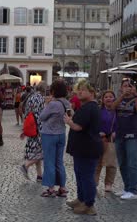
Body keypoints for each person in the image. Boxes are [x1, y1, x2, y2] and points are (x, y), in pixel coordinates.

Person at [65, 80, 102, 215]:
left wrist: (69, 121)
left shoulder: (89, 107)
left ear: (92, 93)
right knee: (80, 175)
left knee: (86, 176)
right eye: (78, 89)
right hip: (83, 148)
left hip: (87, 148)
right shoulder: (87, 107)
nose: (79, 92)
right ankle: (81, 199)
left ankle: (89, 205)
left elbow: (78, 127)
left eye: (83, 90)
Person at [110, 78, 137, 200]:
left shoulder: (136, 99)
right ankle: (127, 187)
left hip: (132, 135)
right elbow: (112, 107)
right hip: (119, 135)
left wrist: (136, 95)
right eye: (124, 86)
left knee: (132, 163)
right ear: (121, 88)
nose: (127, 88)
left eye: (129, 86)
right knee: (122, 163)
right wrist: (123, 95)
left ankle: (133, 191)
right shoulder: (119, 99)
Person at [38, 79, 70, 198]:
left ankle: (51, 188)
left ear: (53, 91)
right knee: (59, 162)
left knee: (49, 161)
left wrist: (47, 104)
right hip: (61, 133)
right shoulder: (67, 103)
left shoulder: (52, 104)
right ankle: (62, 187)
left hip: (49, 135)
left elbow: (42, 117)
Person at [19, 82, 45, 182]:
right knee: (40, 151)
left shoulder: (30, 97)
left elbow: (26, 112)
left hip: (31, 126)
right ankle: (26, 166)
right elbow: (42, 114)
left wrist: (25, 129)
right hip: (38, 127)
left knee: (35, 150)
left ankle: (39, 176)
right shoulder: (41, 98)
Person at [95, 90, 117, 193]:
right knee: (97, 162)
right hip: (101, 139)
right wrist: (98, 132)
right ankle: (94, 182)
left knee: (111, 163)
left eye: (110, 97)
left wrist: (116, 132)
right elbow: (94, 124)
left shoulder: (117, 111)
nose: (108, 98)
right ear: (103, 100)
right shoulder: (99, 111)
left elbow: (121, 124)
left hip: (112, 140)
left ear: (114, 99)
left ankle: (108, 184)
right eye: (106, 97)